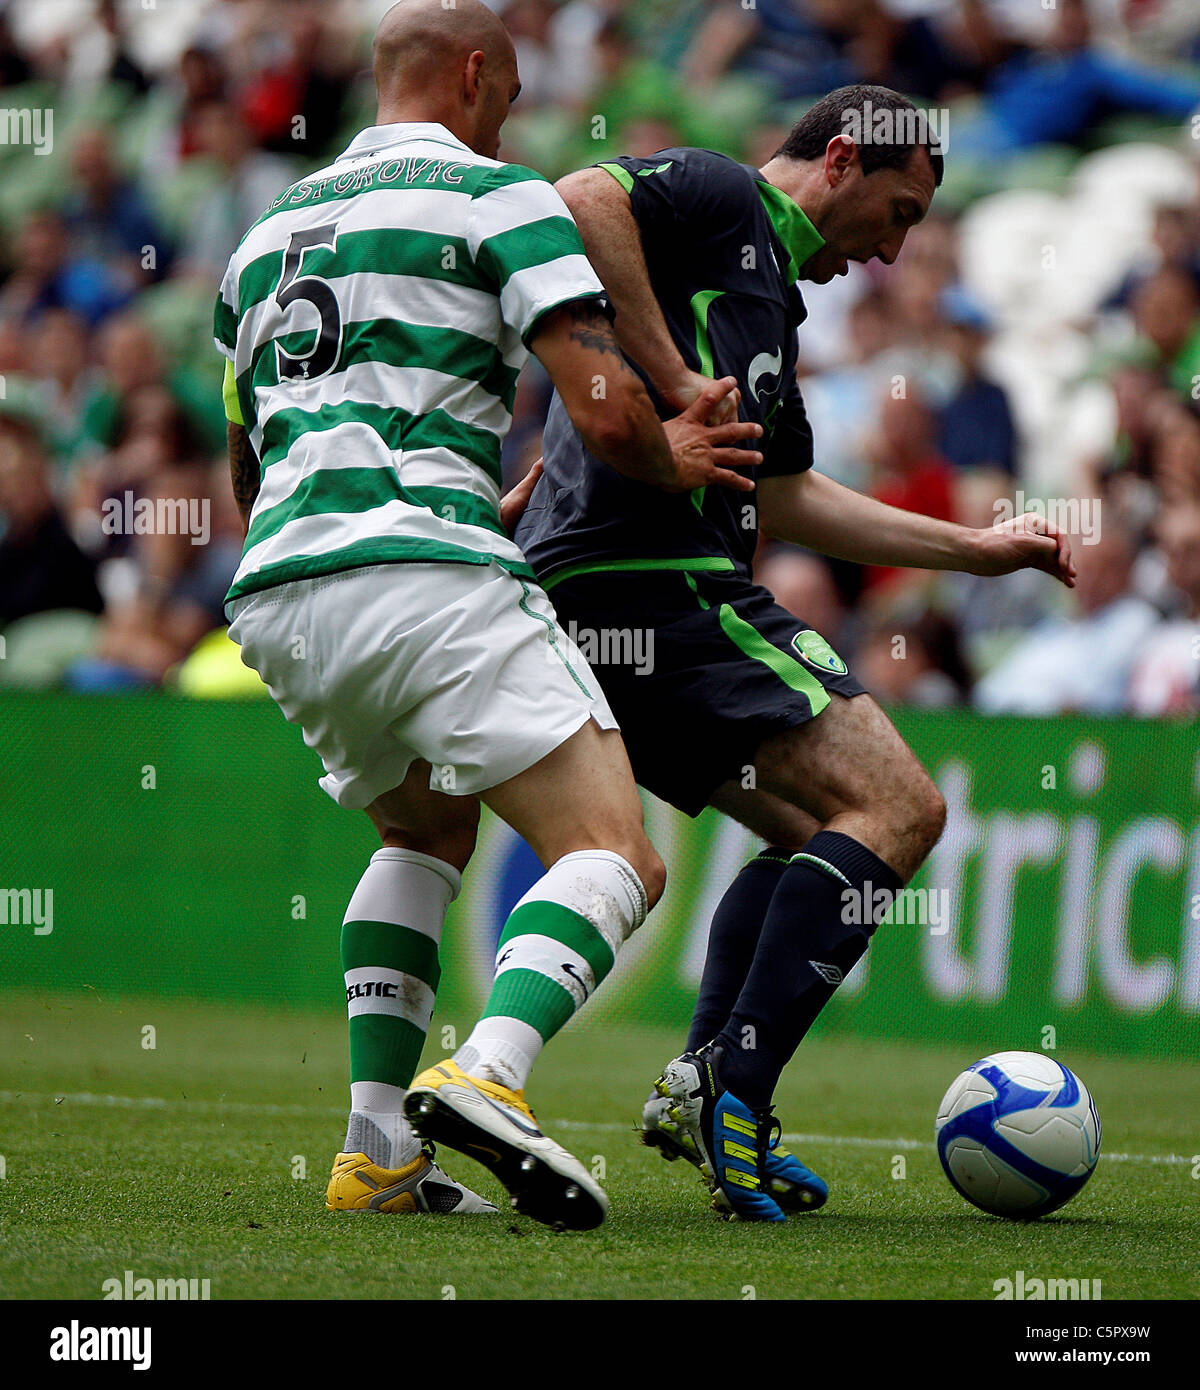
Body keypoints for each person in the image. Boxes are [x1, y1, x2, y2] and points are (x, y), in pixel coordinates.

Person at [214, 0, 758, 1231]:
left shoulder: (264, 235)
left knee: (424, 833)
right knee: (614, 850)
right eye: (506, 95)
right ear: (471, 75)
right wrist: (672, 452)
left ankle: (375, 1153)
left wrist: (452, 483)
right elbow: (607, 409)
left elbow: (251, 470)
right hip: (425, 575)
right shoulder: (500, 197)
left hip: (284, 591)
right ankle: (487, 1074)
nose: (510, 117)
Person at [516, 84, 1075, 1222]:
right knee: (903, 807)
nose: (893, 246)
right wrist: (672, 384)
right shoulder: (725, 198)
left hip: (610, 593)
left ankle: (698, 1084)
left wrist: (974, 548)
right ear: (838, 159)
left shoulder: (771, 303)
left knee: (808, 830)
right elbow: (577, 196)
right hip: (653, 578)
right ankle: (738, 1088)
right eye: (901, 210)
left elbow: (790, 497)